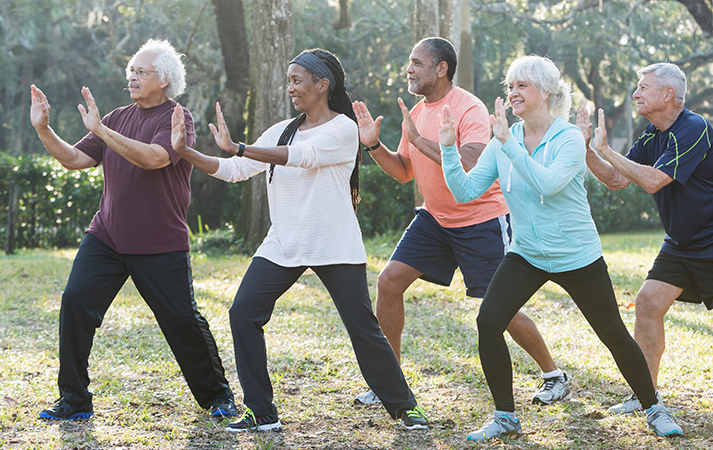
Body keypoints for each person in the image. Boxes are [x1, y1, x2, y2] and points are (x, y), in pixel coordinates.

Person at [169, 48, 429, 432]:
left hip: (333, 242)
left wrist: (239, 145)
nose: (290, 87)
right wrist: (187, 152)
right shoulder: (281, 129)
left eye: (297, 80)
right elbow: (236, 169)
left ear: (322, 84)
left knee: (363, 327)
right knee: (243, 313)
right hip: (284, 243)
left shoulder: (343, 129)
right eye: (288, 80)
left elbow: (301, 157)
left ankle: (405, 407)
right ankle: (261, 411)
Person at [439, 55, 683, 441]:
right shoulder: (505, 138)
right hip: (527, 254)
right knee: (488, 322)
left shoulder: (568, 137)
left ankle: (654, 407)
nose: (513, 93)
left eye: (522, 85)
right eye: (510, 86)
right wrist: (448, 149)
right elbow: (465, 191)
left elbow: (547, 184)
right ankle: (505, 415)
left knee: (613, 334)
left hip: (577, 256)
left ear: (547, 93)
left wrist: (508, 144)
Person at [351, 37, 569, 407]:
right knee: (388, 282)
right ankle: (389, 382)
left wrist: (419, 141)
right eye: (410, 62)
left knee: (502, 308)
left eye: (417, 63)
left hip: (480, 219)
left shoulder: (467, 106)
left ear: (441, 69)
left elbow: (470, 161)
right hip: (435, 219)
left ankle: (553, 375)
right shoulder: (417, 114)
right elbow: (404, 172)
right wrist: (373, 146)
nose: (409, 69)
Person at [29, 39, 236, 420]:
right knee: (75, 302)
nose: (132, 77)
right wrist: (44, 129)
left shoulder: (178, 118)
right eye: (131, 71)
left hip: (159, 241)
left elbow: (155, 159)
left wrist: (103, 133)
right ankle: (74, 399)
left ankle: (218, 396)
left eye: (141, 71)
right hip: (107, 236)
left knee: (181, 320)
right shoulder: (115, 117)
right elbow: (75, 159)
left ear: (165, 80)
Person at [581, 62, 713, 418]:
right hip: (682, 241)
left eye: (643, 87)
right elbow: (617, 180)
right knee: (649, 303)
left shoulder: (693, 127)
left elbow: (653, 181)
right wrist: (587, 149)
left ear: (668, 94)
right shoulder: (652, 135)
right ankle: (645, 394)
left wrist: (606, 150)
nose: (635, 94)